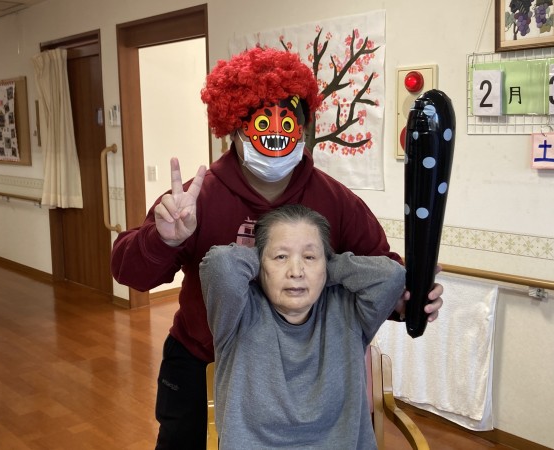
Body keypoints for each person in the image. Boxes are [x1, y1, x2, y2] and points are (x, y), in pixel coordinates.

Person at [110, 46, 443, 449]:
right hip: (202, 356)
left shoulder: (335, 201)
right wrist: (163, 239)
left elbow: (380, 271)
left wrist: (406, 300)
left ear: (302, 126)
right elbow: (130, 273)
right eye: (261, 121)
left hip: (302, 372)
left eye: (288, 122)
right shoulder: (195, 200)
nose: (276, 133)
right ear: (233, 126)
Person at [200, 204, 405, 449]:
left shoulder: (348, 312)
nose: (296, 272)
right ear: (259, 263)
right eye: (281, 257)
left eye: (309, 257)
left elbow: (392, 276)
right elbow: (220, 264)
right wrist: (265, 256)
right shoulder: (238, 314)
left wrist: (328, 265)